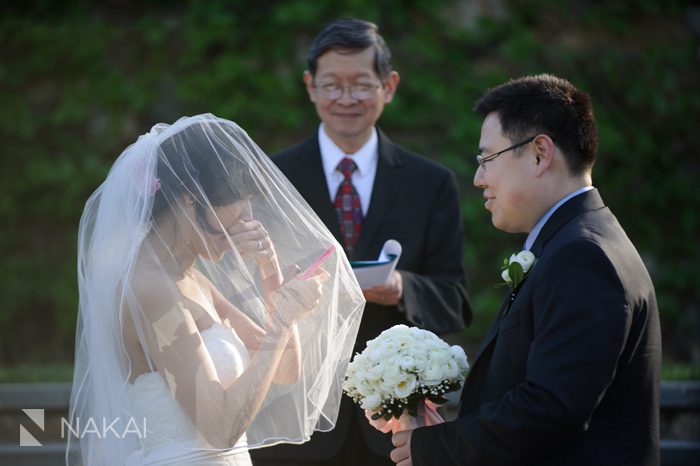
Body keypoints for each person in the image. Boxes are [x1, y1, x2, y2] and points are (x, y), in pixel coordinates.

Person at [390, 74, 662, 465]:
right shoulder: (574, 240)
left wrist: (436, 447)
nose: (479, 178)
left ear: (539, 153)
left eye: (487, 159)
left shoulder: (584, 255)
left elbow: (552, 409)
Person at [68, 113, 366, 465]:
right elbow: (218, 429)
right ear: (190, 200)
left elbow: (285, 369)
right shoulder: (151, 289)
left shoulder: (192, 278)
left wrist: (270, 272)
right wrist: (284, 320)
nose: (246, 224)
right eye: (235, 212)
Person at [252, 19, 471, 466]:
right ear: (311, 87)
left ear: (388, 86)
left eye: (361, 85)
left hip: (395, 423)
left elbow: (455, 300)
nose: (346, 99)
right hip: (296, 419)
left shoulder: (431, 183)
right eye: (332, 85)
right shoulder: (272, 179)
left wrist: (403, 289)